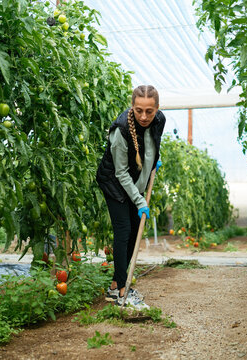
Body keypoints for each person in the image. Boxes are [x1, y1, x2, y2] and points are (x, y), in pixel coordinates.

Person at [96, 85, 165, 309]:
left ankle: (115, 285)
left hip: (135, 181)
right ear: (132, 107)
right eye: (138, 110)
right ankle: (123, 290)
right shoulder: (121, 131)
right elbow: (120, 173)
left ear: (157, 109)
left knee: (136, 230)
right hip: (115, 182)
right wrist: (139, 200)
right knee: (124, 230)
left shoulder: (159, 120)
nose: (144, 116)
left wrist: (154, 160)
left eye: (149, 111)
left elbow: (152, 143)